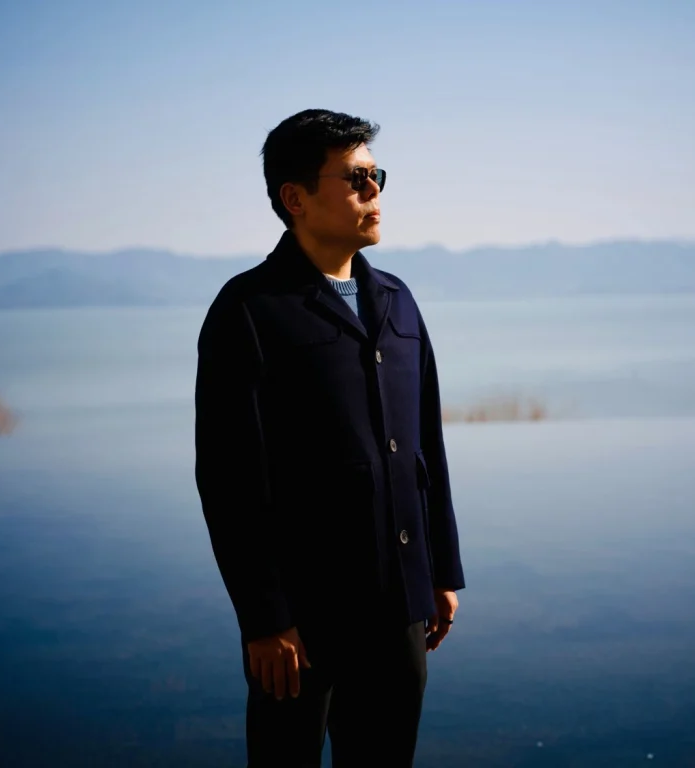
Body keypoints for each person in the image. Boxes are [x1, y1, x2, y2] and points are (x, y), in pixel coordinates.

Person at [194, 109, 465, 767]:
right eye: (356, 179)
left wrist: (442, 570)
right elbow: (230, 478)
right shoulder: (249, 311)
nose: (375, 192)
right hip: (301, 625)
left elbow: (426, 445)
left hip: (400, 603)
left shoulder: (399, 303)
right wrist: (263, 620)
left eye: (378, 176)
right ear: (296, 199)